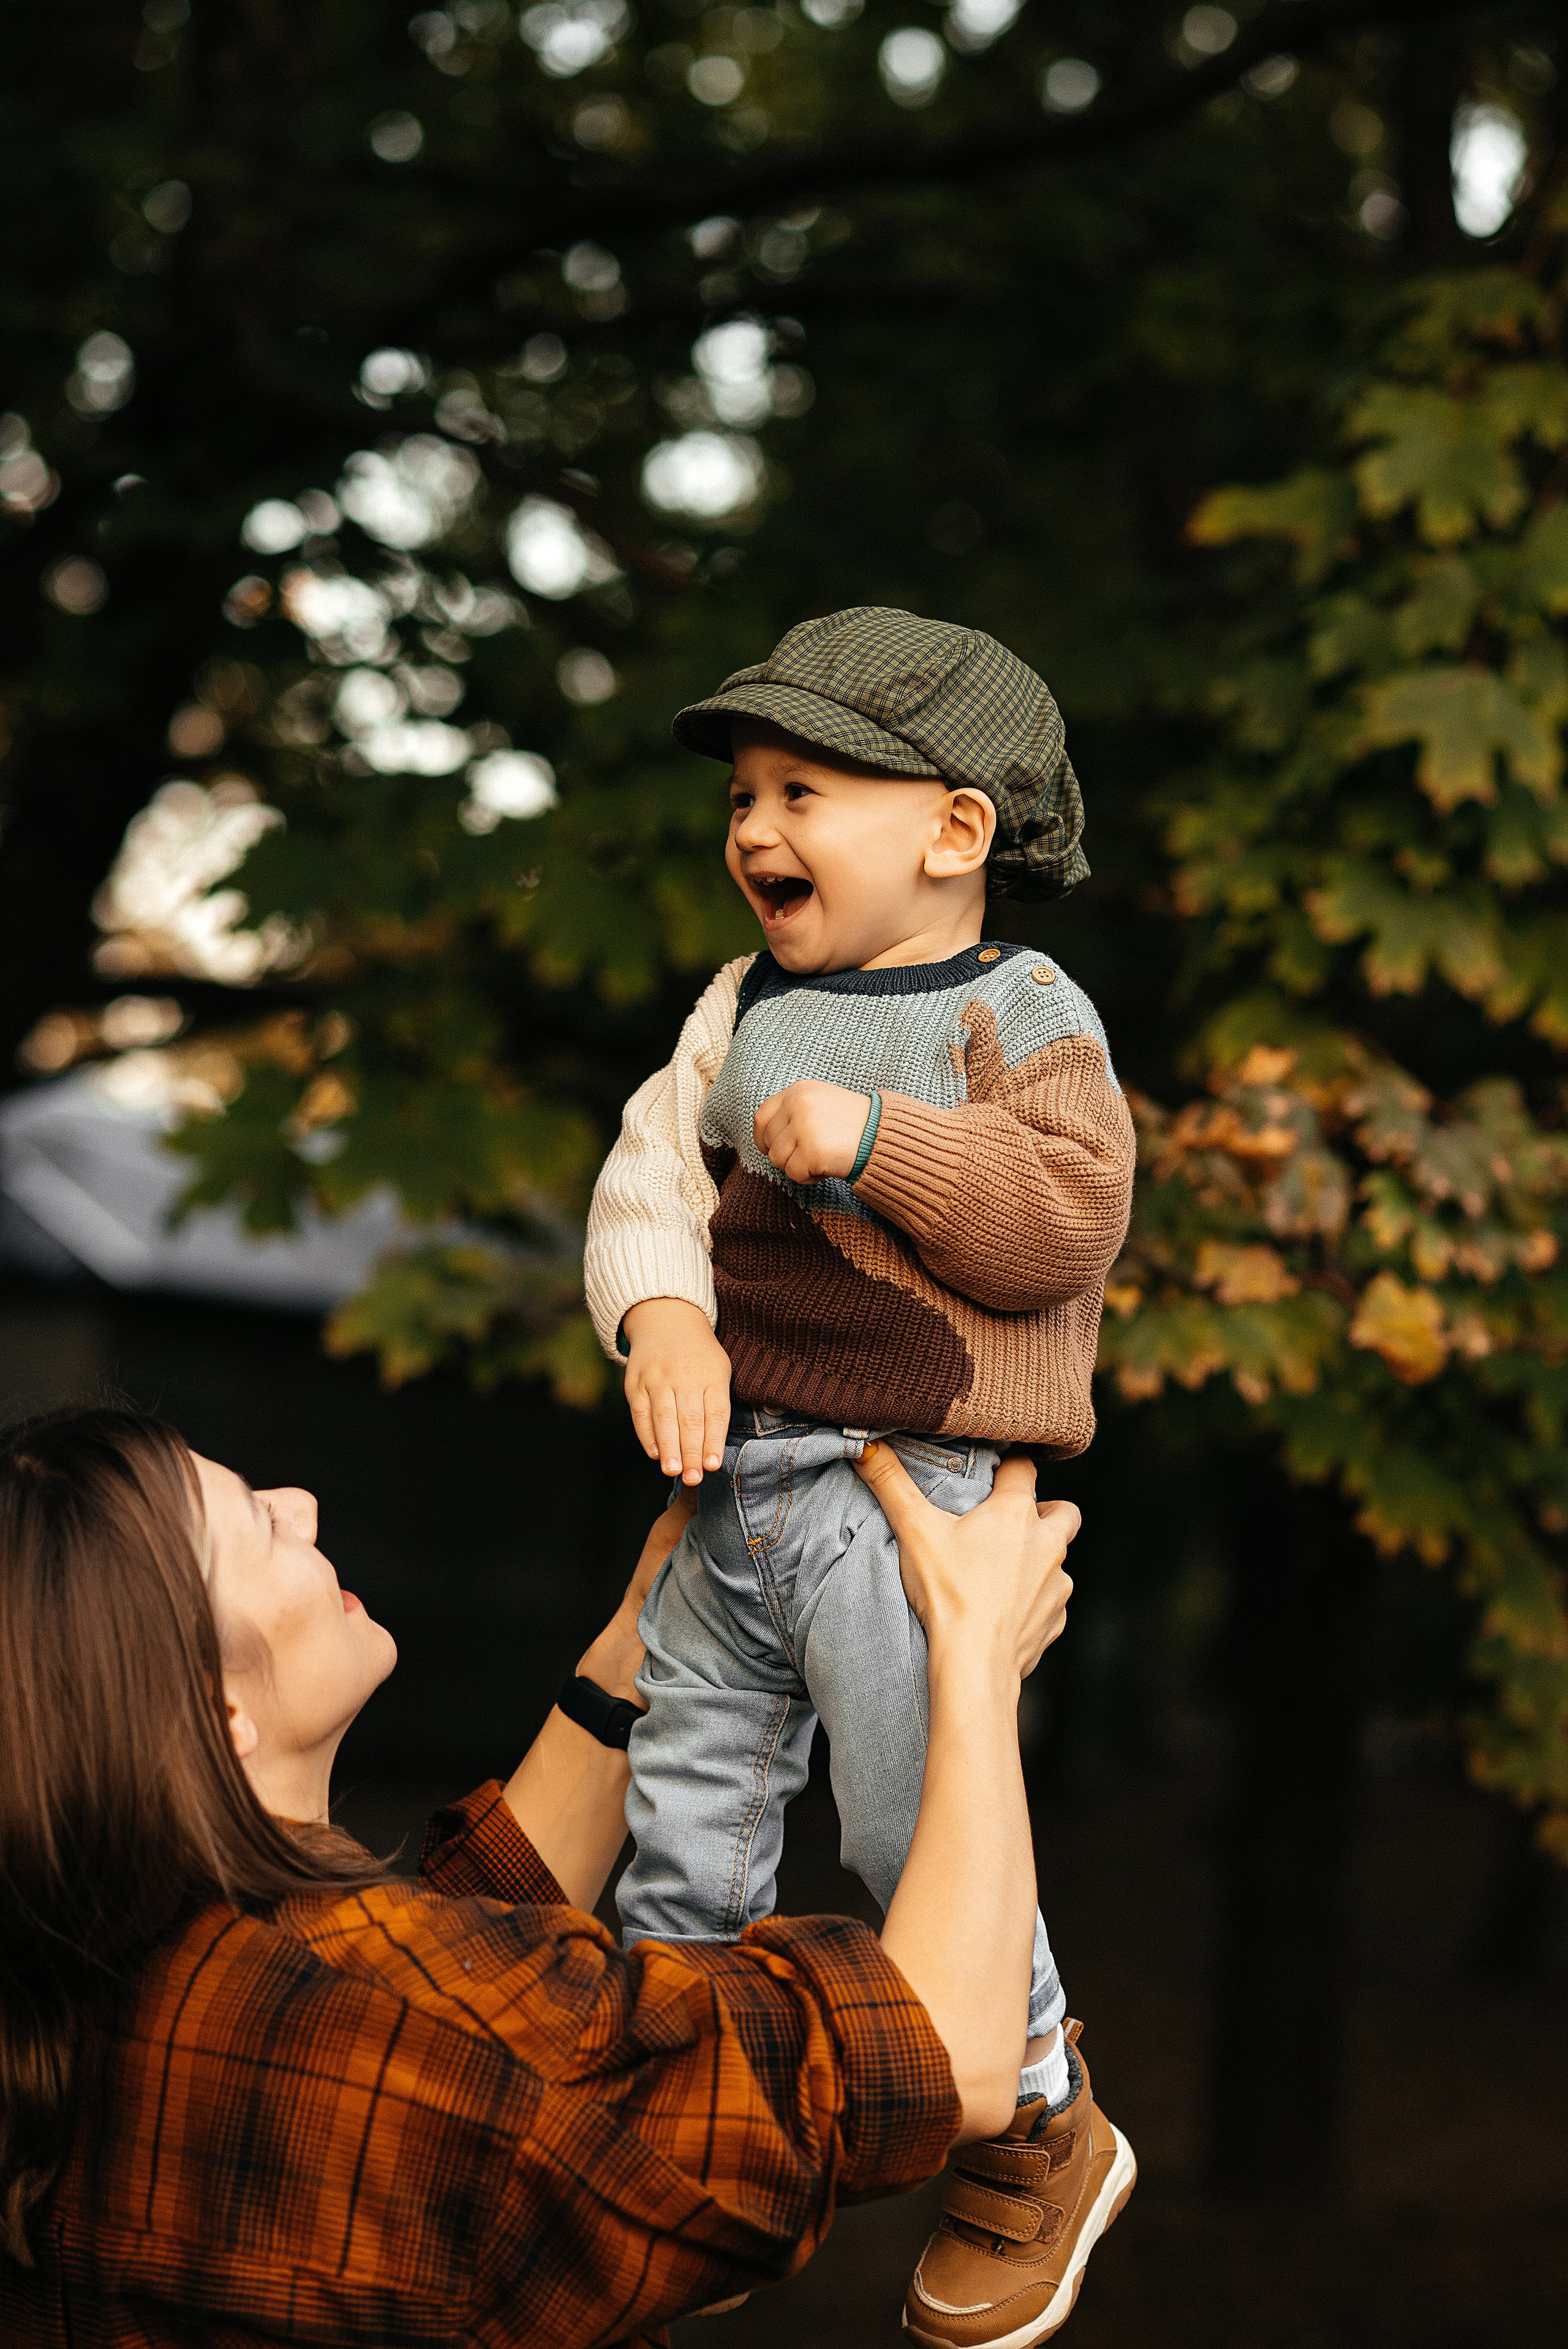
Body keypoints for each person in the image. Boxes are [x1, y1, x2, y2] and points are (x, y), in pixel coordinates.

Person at [0, 1403, 1098, 2348]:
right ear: (214, 1710)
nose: (302, 1504)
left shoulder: (127, 1978)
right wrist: (972, 1655)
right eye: (255, 1523)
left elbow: (460, 1949)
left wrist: (660, 1632)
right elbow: (941, 2054)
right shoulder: (399, 2039)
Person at [584, 607, 1137, 2343]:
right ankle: (679, 2150)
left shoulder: (1020, 1007)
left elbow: (1068, 1219)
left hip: (916, 1489)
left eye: (803, 787)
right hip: (738, 1489)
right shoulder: (738, 1012)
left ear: (954, 830)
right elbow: (649, 1179)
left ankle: (1041, 2110)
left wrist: (885, 1139)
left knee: (919, 1825)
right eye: (744, 793)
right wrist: (662, 1319)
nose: (755, 828)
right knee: (682, 1835)